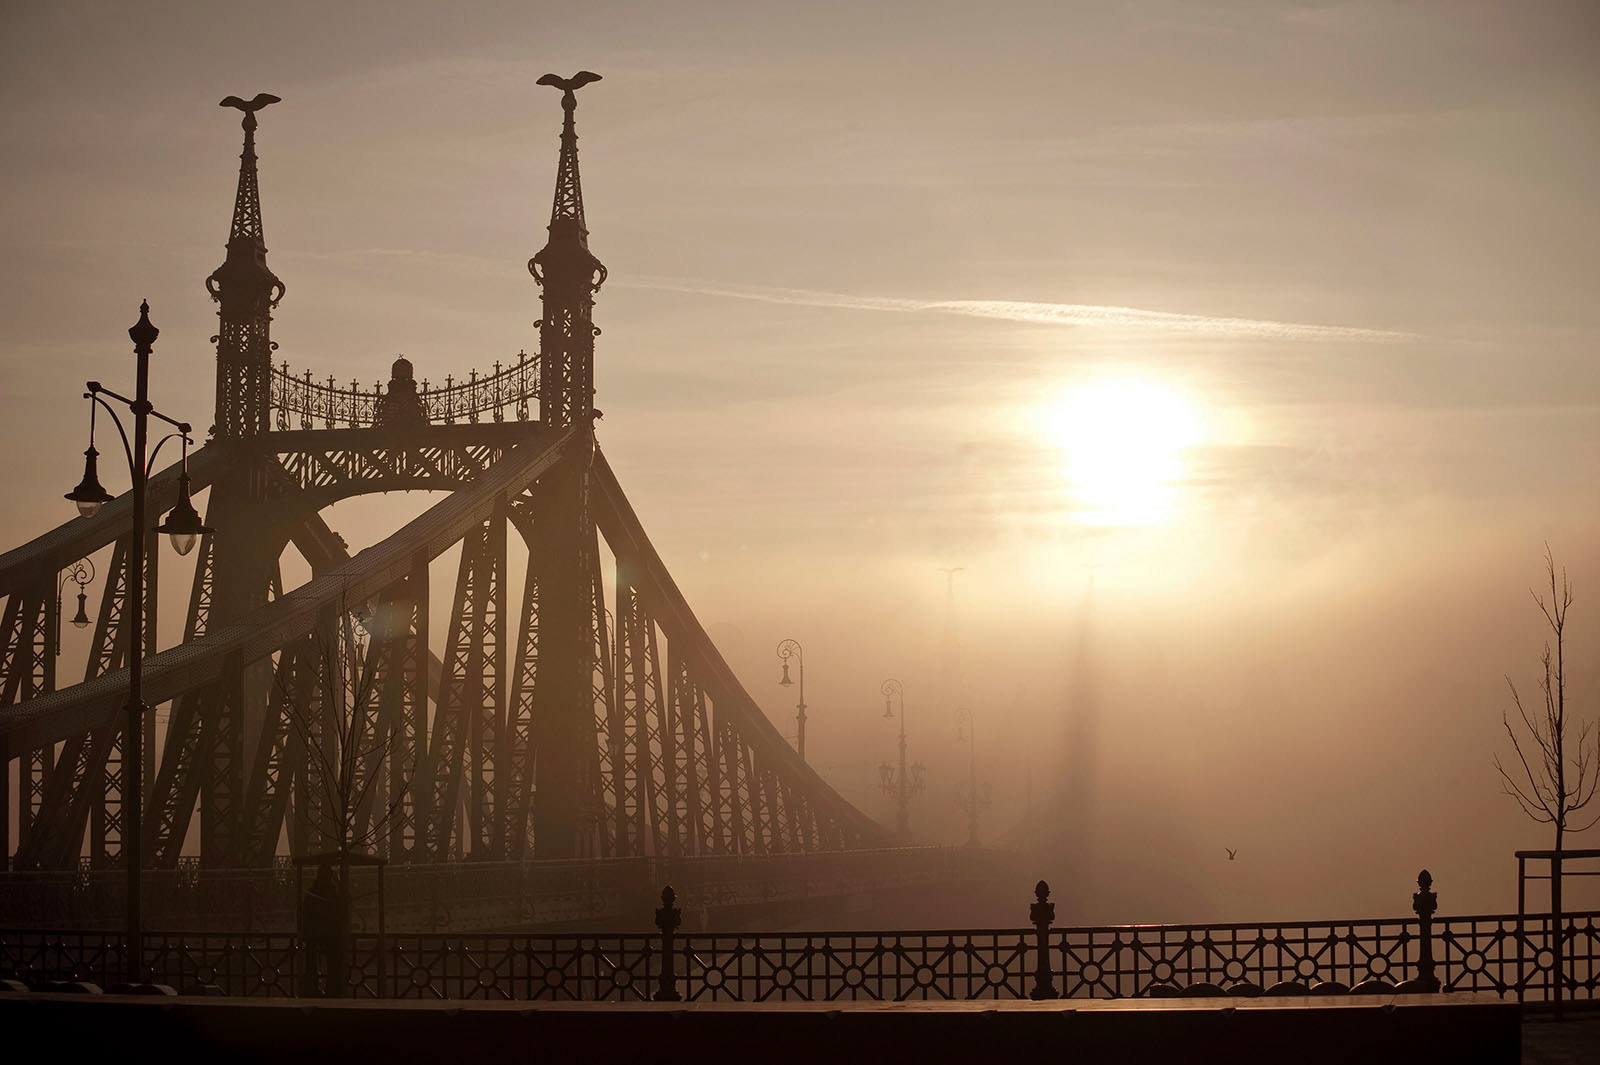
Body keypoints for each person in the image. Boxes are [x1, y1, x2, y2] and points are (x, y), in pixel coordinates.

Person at [301, 862, 342, 996]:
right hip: (329, 933)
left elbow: (306, 911)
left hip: (314, 933)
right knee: (333, 963)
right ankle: (332, 989)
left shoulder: (312, 892)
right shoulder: (332, 891)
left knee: (312, 962)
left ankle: (312, 987)